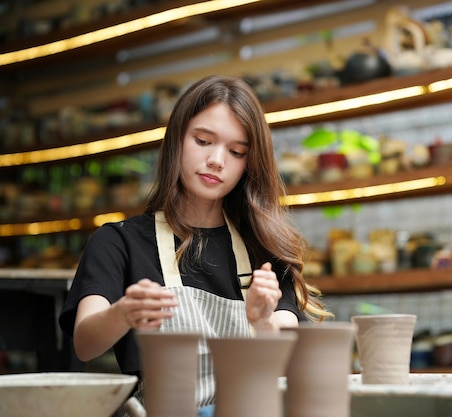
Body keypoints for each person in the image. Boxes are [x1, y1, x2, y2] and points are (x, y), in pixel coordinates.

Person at [59, 74, 333, 413]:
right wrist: (123, 313)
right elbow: (85, 343)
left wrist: (262, 323)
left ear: (249, 164)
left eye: (236, 151)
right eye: (203, 141)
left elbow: (291, 344)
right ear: (177, 139)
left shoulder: (262, 249)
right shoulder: (119, 242)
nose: (217, 160)